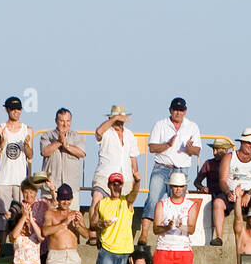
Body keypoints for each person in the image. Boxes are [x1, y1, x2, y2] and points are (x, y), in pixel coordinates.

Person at [140, 96, 202, 244]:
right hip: (162, 167)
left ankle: (180, 236)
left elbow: (197, 150)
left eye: (181, 110)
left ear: (185, 111)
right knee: (154, 199)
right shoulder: (160, 124)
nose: (178, 113)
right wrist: (167, 145)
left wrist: (188, 148)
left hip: (181, 169)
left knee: (178, 202)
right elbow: (152, 147)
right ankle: (144, 235)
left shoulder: (192, 126)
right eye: (175, 110)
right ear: (170, 110)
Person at [215, 129, 251, 244]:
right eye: (249, 143)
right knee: (218, 203)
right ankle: (219, 237)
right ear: (242, 143)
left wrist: (249, 194)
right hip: (232, 190)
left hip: (249, 192)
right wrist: (228, 192)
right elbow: (222, 180)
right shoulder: (229, 157)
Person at [0, 97, 34, 233]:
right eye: (13, 109)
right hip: (3, 178)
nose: (16, 112)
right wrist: (2, 142)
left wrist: (27, 145)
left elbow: (30, 154)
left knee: (21, 213)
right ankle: (3, 245)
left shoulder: (27, 129)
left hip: (20, 179)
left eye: (18, 109)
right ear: (7, 110)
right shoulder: (0, 128)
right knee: (2, 215)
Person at [91, 105, 140, 208]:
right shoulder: (106, 132)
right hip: (105, 175)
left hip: (125, 177)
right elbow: (98, 132)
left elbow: (133, 158)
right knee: (97, 198)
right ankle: (93, 224)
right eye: (117, 119)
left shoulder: (130, 135)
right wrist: (116, 118)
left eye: (121, 119)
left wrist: (135, 177)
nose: (120, 122)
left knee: (123, 207)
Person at [192, 136, 235, 245]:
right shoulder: (208, 163)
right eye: (214, 149)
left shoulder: (233, 163)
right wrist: (202, 188)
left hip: (227, 195)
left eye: (217, 149)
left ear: (225, 150)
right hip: (212, 195)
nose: (214, 152)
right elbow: (196, 182)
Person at [40, 107, 86, 197]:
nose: (65, 124)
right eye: (62, 121)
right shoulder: (47, 135)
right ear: (56, 121)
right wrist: (58, 142)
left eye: (68, 121)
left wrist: (67, 146)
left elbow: (82, 153)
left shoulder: (76, 136)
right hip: (50, 186)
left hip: (71, 187)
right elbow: (45, 152)